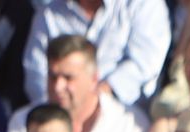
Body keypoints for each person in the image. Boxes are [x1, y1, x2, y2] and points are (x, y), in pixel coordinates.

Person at [5, 35, 146, 132]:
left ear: (94, 79)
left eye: (68, 78)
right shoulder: (22, 123)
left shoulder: (131, 125)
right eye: (53, 77)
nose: (58, 87)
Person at [21, 0, 171, 111]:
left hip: (123, 116)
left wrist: (97, 98)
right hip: (60, 117)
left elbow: (145, 63)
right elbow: (36, 73)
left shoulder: (144, 4)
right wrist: (58, 111)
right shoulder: (49, 13)